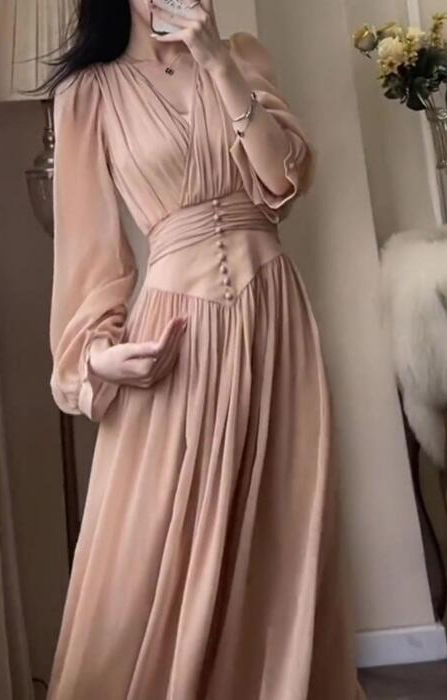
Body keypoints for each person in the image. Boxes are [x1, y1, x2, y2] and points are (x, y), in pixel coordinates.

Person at [43, 0, 367, 697]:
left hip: (274, 322)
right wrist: (95, 357)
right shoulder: (86, 94)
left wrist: (216, 61)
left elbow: (283, 181)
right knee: (147, 554)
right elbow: (87, 256)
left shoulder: (242, 54)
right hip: (174, 337)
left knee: (280, 536)